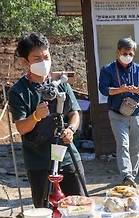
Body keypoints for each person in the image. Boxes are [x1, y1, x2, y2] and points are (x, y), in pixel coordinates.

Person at [8, 33, 86, 208]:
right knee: (45, 210)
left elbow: (74, 113)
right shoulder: (19, 91)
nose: (43, 62)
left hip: (66, 156)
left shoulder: (60, 84)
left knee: (78, 205)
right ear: (24, 62)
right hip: (39, 161)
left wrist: (71, 130)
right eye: (37, 58)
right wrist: (35, 116)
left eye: (46, 57)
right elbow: (21, 127)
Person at [98, 37, 139, 188]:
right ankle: (126, 175)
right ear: (118, 52)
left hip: (137, 113)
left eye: (130, 54)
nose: (127, 56)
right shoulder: (107, 69)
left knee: (136, 147)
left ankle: (131, 178)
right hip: (117, 114)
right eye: (124, 53)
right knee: (123, 145)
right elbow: (103, 89)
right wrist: (119, 90)